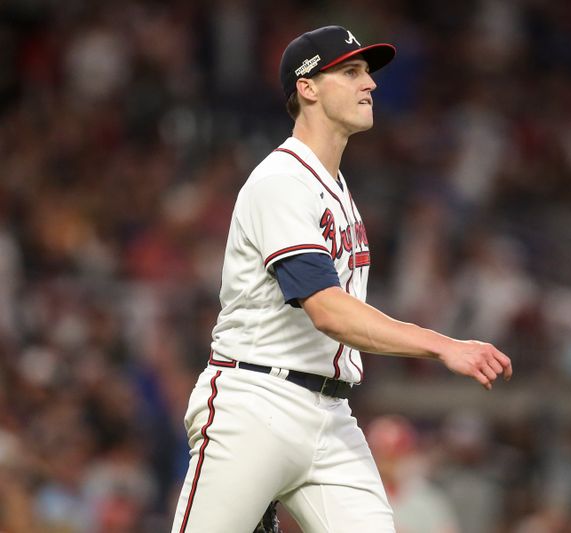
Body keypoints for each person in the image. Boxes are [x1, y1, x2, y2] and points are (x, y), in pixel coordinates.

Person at [170, 25, 512, 533]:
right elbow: (327, 309)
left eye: (367, 72)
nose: (369, 83)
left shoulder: (335, 186)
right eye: (350, 72)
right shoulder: (282, 180)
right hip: (257, 401)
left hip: (330, 413)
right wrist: (441, 345)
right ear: (307, 87)